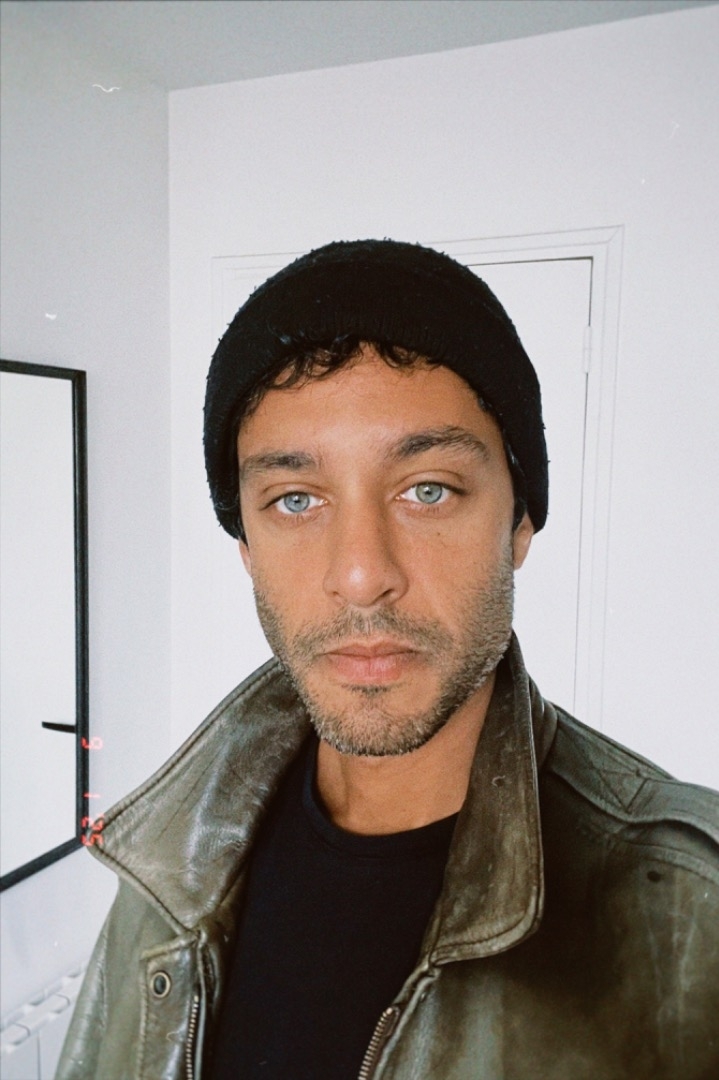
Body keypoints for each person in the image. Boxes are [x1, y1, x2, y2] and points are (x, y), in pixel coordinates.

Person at [58, 240, 719, 1080]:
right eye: (295, 500)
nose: (361, 574)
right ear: (247, 549)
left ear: (518, 524)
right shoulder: (168, 868)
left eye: (427, 489)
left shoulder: (689, 909)